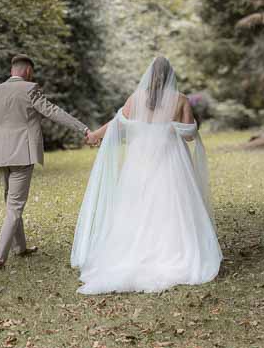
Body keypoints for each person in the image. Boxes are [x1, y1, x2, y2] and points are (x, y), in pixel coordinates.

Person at [71, 56, 222, 294]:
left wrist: (95, 136)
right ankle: (172, 251)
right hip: (171, 160)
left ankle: (133, 253)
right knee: (171, 205)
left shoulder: (136, 98)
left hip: (139, 161)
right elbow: (190, 135)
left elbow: (117, 123)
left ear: (149, 76)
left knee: (137, 205)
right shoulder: (180, 100)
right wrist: (172, 127)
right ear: (171, 75)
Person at [0, 54, 96, 270]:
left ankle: (20, 247)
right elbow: (54, 112)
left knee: (11, 202)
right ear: (28, 71)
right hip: (23, 154)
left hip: (2, 155)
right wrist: (83, 128)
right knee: (15, 206)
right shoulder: (30, 89)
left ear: (13, 70)